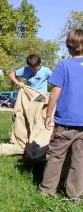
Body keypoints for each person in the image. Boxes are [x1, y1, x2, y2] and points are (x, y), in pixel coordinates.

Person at [39, 28, 83, 200]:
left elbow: (56, 91)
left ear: (68, 46)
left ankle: (47, 191)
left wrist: (49, 114)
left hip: (64, 122)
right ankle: (76, 195)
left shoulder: (63, 66)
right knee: (79, 160)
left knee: (56, 157)